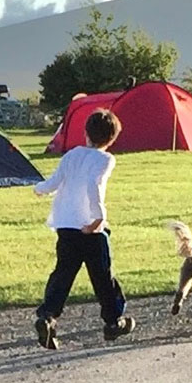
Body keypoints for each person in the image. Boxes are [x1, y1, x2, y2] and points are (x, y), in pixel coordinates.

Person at [32, 109, 133, 349]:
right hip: (90, 228)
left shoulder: (71, 155)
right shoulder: (105, 159)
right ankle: (113, 321)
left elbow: (54, 182)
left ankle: (48, 316)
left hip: (65, 226)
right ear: (112, 138)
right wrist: (99, 218)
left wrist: (39, 189)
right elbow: (92, 185)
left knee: (63, 274)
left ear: (85, 132)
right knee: (103, 277)